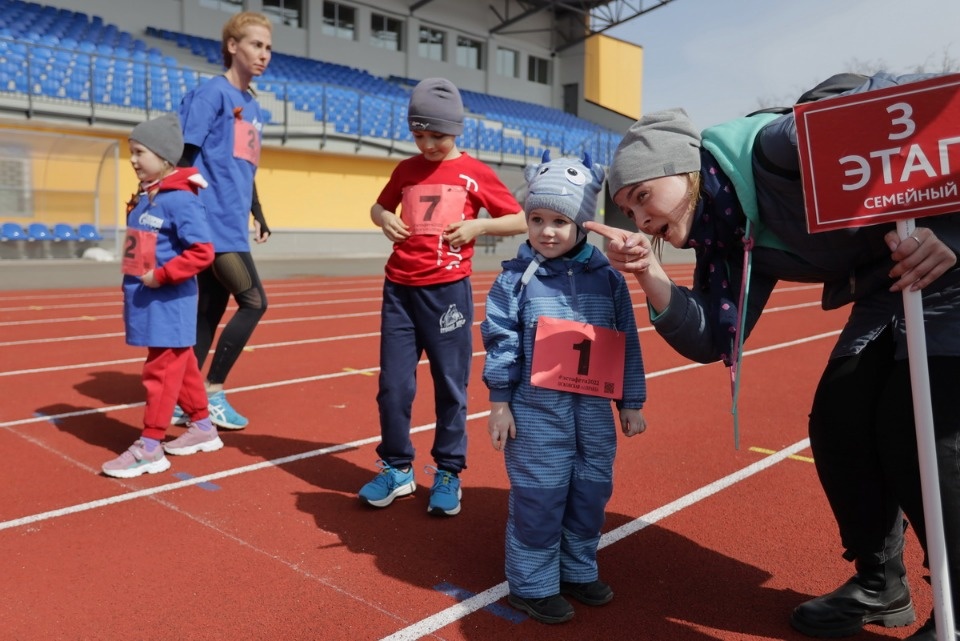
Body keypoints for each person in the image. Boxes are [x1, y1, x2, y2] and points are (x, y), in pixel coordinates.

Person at [587, 72, 960, 640]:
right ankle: (881, 584)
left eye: (643, 197)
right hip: (891, 280)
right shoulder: (732, 232)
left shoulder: (779, 149)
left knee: (915, 431)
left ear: (684, 167)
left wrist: (951, 234)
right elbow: (713, 338)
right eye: (629, 212)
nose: (642, 221)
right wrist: (649, 272)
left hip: (947, 265)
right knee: (839, 422)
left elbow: (923, 105)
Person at [480, 151, 647, 624]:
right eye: (536, 219)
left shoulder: (609, 282)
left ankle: (575, 568)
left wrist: (630, 401)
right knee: (541, 497)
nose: (547, 231)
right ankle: (532, 585)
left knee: (590, 493)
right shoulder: (514, 282)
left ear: (582, 223)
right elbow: (500, 343)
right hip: (536, 416)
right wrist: (499, 404)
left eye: (560, 220)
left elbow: (626, 343)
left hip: (592, 417)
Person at [359, 77, 528, 516]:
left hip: (447, 293)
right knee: (393, 387)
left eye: (437, 135)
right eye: (419, 134)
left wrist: (479, 226)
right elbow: (378, 206)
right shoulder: (406, 169)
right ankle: (397, 468)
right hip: (398, 289)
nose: (428, 143)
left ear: (457, 130)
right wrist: (382, 219)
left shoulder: (475, 172)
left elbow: (520, 219)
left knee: (450, 387)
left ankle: (448, 471)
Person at [102, 113, 223, 479]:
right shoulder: (147, 198)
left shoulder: (181, 201)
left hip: (169, 303)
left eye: (140, 151)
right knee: (182, 363)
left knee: (161, 370)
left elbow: (203, 251)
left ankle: (150, 446)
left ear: (165, 156)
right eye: (131, 152)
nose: (134, 159)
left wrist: (163, 275)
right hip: (147, 300)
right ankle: (203, 426)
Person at [174, 11, 273, 430]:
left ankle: (183, 400)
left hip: (233, 223)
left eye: (268, 48)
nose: (263, 54)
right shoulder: (211, 95)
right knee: (254, 302)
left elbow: (243, 169)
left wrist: (258, 212)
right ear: (233, 46)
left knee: (209, 313)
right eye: (255, 44)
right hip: (210, 222)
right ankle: (211, 391)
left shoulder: (253, 108)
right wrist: (184, 213)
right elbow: (183, 157)